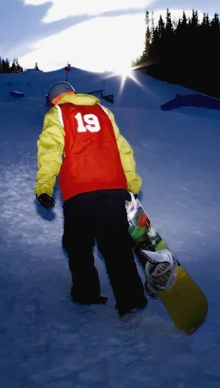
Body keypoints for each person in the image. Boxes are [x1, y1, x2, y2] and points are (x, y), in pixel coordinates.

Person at [34, 81, 148, 317]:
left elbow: (50, 151)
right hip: (114, 187)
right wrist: (131, 185)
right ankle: (132, 299)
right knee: (116, 245)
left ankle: (86, 294)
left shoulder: (59, 113)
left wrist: (44, 187)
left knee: (78, 245)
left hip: (80, 190)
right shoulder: (103, 111)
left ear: (54, 99)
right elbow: (123, 150)